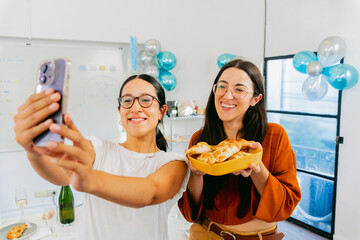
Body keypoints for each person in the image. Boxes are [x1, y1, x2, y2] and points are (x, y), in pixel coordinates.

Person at [13, 74, 190, 240]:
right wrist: (34, 153)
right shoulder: (99, 148)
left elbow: (150, 192)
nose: (135, 108)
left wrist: (91, 180)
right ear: (120, 112)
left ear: (161, 111)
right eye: (127, 101)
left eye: (145, 100)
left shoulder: (173, 162)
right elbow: (61, 174)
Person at [178, 59, 301, 240]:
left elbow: (285, 205)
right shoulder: (200, 141)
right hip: (205, 234)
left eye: (239, 89)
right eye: (222, 87)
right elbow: (191, 212)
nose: (227, 96)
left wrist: (256, 169)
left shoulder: (274, 136)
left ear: (255, 99)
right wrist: (196, 175)